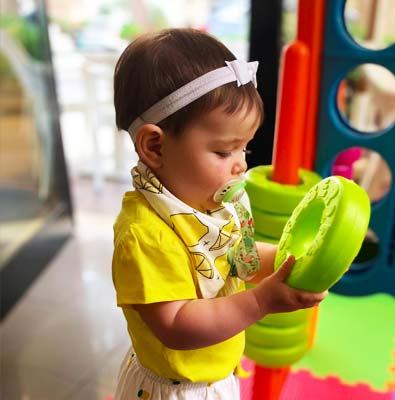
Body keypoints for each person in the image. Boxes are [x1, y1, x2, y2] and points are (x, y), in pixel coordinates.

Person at [112, 28, 327, 400]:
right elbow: (176, 325)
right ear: (154, 146)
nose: (241, 165)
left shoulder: (206, 208)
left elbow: (236, 260)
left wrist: (289, 262)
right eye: (224, 151)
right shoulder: (145, 233)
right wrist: (260, 302)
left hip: (218, 374)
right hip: (176, 390)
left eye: (245, 148)